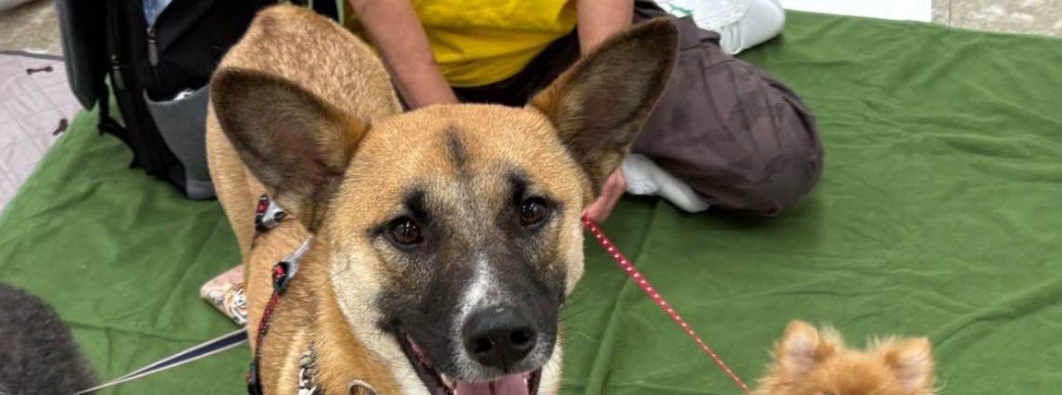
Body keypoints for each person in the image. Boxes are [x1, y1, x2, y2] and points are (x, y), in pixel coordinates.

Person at [344, 0, 822, 220]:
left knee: (776, 165)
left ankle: (714, 16)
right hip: (409, 71)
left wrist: (600, 128)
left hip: (564, 44)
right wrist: (462, 144)